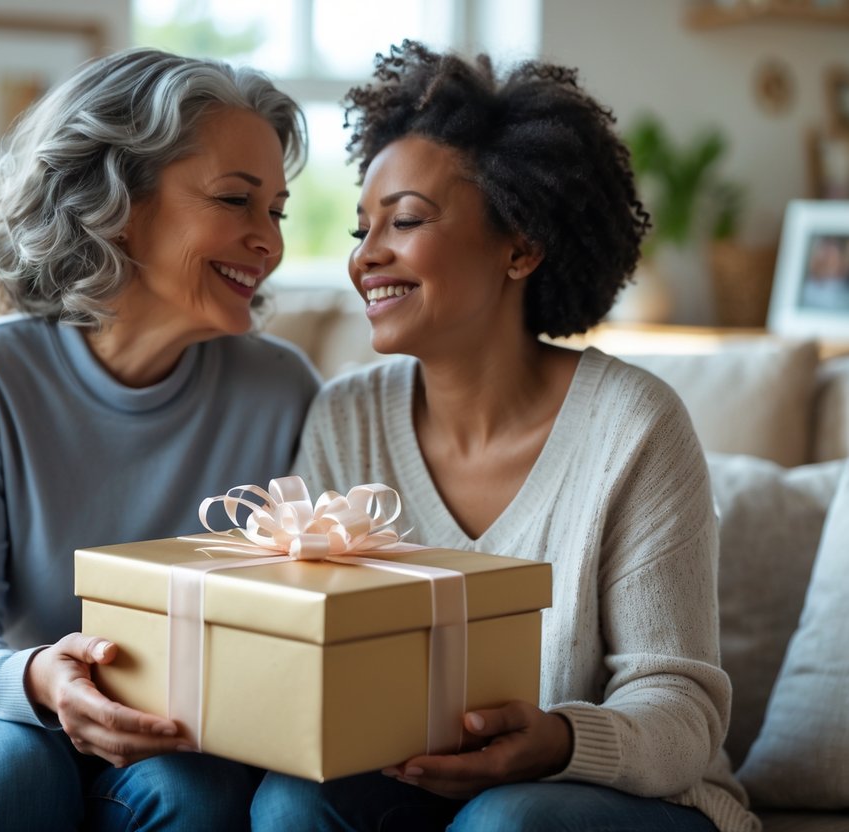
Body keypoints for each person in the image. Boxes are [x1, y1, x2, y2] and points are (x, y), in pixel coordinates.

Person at [254, 41, 760, 832]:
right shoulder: (345, 418)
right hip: (416, 783)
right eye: (361, 230)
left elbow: (683, 711)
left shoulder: (633, 426)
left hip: (634, 800)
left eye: (406, 220)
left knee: (506, 822)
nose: (366, 257)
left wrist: (558, 739)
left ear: (519, 246)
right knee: (291, 805)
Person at [0, 47, 319, 832]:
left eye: (274, 210)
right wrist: (42, 679)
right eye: (235, 201)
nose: (268, 242)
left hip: (169, 737)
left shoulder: (283, 391)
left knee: (195, 795)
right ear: (115, 200)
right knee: (10, 776)